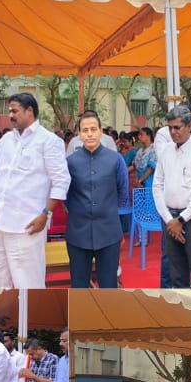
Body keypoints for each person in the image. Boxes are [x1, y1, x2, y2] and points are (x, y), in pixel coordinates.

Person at [0, 92, 68, 289]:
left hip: (27, 226)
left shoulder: (48, 141)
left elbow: (61, 182)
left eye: (14, 111)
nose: (10, 115)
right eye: (9, 111)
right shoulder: (5, 140)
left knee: (29, 286)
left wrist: (45, 215)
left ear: (29, 111)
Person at [152, 104, 191, 289]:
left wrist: (181, 219)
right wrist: (169, 220)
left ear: (190, 125)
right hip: (169, 219)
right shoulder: (165, 151)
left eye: (177, 127)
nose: (173, 132)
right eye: (170, 128)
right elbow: (157, 186)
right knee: (176, 272)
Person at [64, 110, 128, 289]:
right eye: (85, 130)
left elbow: (122, 192)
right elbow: (66, 196)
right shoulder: (70, 162)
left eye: (93, 129)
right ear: (79, 134)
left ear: (101, 131)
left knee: (108, 286)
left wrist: (109, 214)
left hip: (108, 232)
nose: (90, 134)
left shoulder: (115, 159)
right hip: (78, 233)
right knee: (79, 286)